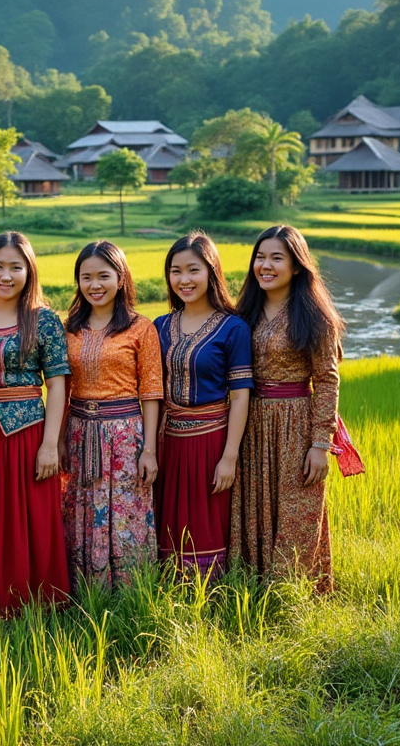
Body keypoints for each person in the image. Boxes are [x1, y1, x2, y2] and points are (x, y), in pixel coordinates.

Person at [231, 225, 361, 592]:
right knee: (253, 506)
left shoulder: (314, 316)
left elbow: (328, 380)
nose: (265, 265)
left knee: (296, 510)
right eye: (260, 257)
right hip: (250, 422)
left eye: (277, 258)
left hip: (297, 423)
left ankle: (294, 592)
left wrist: (322, 444)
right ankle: (252, 587)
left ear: (297, 266)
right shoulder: (244, 314)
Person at [0, 232, 71, 613]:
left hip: (27, 433)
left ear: (29, 271)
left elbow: (56, 385)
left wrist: (50, 444)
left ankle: (31, 601)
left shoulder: (44, 321)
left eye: (15, 267)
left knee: (28, 517)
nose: (5, 276)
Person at [60, 240, 163, 591]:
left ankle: (130, 590)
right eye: (86, 277)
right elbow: (62, 387)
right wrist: (58, 439)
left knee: (124, 511)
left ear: (120, 279)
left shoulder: (140, 328)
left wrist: (149, 449)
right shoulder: (69, 328)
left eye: (103, 276)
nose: (95, 285)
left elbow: (150, 392)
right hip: (78, 431)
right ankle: (83, 589)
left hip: (124, 436)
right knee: (80, 508)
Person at [153, 232, 252, 576]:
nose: (184, 280)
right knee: (170, 516)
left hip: (211, 439)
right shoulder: (160, 326)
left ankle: (210, 592)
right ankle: (169, 584)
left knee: (206, 519)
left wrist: (229, 457)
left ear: (211, 271)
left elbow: (240, 395)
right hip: (168, 440)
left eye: (193, 270)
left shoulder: (233, 328)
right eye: (175, 271)